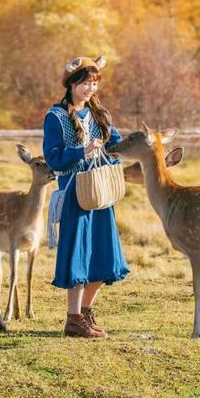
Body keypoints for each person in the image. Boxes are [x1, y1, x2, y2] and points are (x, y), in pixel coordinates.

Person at [42, 55, 130, 339]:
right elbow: (53, 159)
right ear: (71, 84)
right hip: (75, 193)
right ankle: (72, 319)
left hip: (101, 191)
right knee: (78, 256)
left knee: (103, 254)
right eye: (84, 83)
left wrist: (145, 148)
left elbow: (117, 145)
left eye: (93, 83)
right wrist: (83, 150)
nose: (90, 89)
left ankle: (85, 312)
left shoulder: (99, 115)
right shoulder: (55, 117)